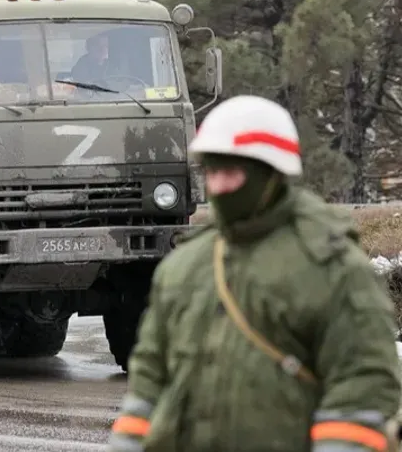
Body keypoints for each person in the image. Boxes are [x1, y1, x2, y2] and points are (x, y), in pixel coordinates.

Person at [108, 94, 402, 452]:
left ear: (272, 174)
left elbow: (363, 381)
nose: (217, 187)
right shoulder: (184, 267)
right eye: (212, 172)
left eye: (231, 173)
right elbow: (150, 378)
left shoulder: (330, 264)